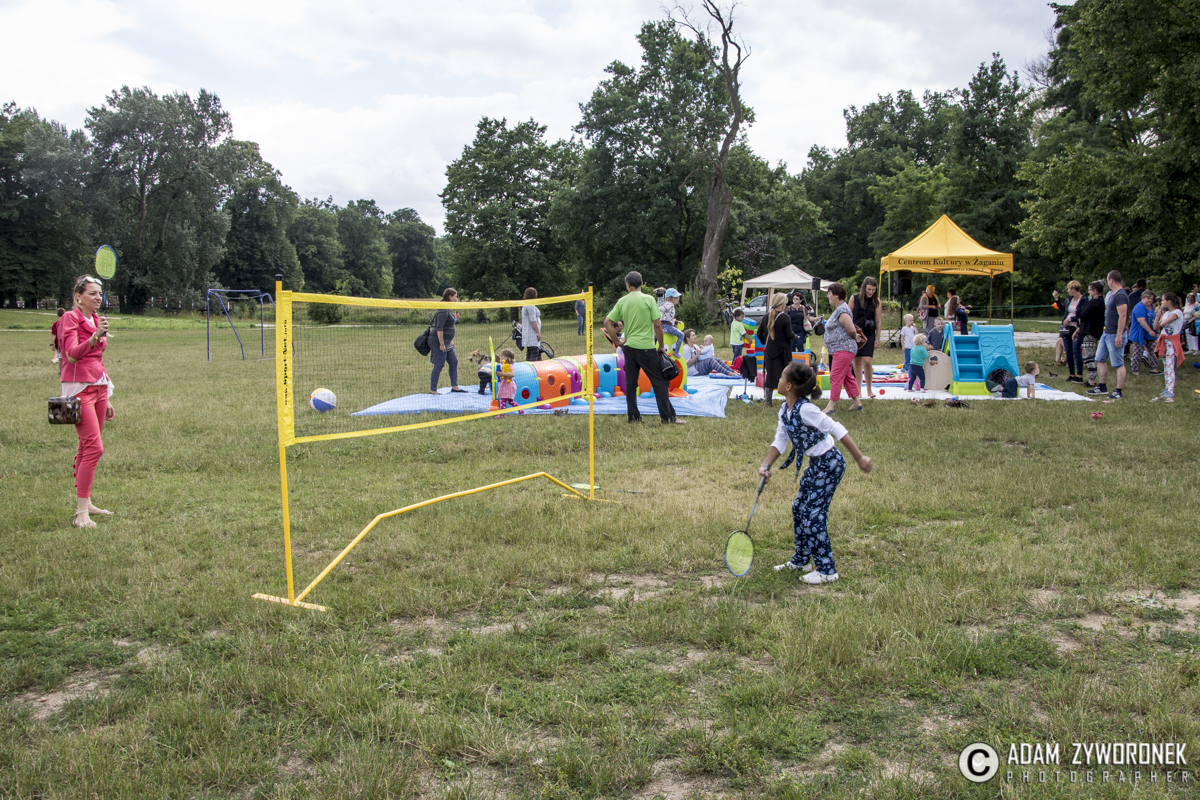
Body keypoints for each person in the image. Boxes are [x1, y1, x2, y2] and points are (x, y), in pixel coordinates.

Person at [760, 362, 872, 585]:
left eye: (781, 377)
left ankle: (827, 570)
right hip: (816, 464)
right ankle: (801, 560)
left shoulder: (806, 410)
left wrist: (860, 458)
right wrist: (766, 464)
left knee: (813, 513)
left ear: (789, 386)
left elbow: (836, 428)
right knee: (799, 508)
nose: (778, 380)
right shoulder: (785, 410)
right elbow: (780, 440)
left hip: (830, 464)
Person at [59, 275, 116, 529]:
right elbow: (71, 355)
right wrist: (95, 335)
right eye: (92, 293)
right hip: (79, 389)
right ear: (78, 297)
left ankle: (86, 503)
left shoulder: (95, 319)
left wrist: (108, 394)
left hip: (99, 387)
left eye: (99, 293)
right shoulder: (70, 318)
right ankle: (81, 514)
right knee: (94, 448)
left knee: (86, 447)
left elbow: (98, 359)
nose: (98, 297)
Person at [603, 271, 683, 425]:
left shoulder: (622, 301)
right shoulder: (649, 299)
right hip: (646, 348)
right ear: (642, 283)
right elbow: (658, 325)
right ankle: (668, 418)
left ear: (628, 285)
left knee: (631, 384)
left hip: (629, 348)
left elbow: (607, 322)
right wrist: (661, 346)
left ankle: (634, 418)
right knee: (659, 382)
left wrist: (617, 341)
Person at [821, 283, 863, 414]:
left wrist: (855, 336)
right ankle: (857, 403)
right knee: (847, 376)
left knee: (835, 376)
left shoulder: (842, 310)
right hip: (839, 349)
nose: (828, 296)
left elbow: (850, 328)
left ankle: (831, 406)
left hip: (844, 349)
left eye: (829, 294)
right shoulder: (839, 309)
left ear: (836, 295)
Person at [1088, 270, 1129, 399]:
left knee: (1118, 363)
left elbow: (1123, 316)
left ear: (1111, 280)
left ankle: (1118, 390)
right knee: (1099, 359)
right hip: (1107, 332)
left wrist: (1119, 334)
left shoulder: (1120, 295)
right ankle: (1102, 386)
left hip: (1115, 334)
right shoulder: (1113, 294)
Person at [758, 293, 796, 407]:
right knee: (786, 375)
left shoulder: (766, 316)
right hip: (783, 352)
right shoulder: (785, 318)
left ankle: (768, 401)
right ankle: (787, 400)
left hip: (769, 352)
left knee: (770, 376)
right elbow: (789, 334)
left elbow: (759, 334)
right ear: (782, 304)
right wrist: (796, 338)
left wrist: (766, 342)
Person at [849, 277, 882, 398]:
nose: (871, 292)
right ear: (864, 288)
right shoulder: (854, 298)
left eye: (873, 290)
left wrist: (878, 338)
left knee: (868, 361)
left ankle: (869, 390)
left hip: (869, 333)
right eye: (869, 289)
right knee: (857, 362)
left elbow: (878, 320)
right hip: (856, 333)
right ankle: (858, 391)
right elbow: (848, 315)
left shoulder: (876, 301)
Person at [430, 287, 466, 394]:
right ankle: (433, 390)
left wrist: (450, 341)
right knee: (439, 364)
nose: (456, 298)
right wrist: (442, 344)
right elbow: (439, 328)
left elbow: (448, 326)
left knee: (454, 361)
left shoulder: (448, 308)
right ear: (450, 297)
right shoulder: (443, 310)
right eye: (455, 296)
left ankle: (455, 387)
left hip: (447, 341)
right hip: (438, 342)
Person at [1152, 293, 1184, 403]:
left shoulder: (1177, 312)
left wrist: (1161, 312)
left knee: (1170, 367)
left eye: (1163, 300)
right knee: (1166, 367)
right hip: (1164, 343)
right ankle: (1167, 390)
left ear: (1169, 301)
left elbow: (1163, 324)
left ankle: (1170, 393)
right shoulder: (1167, 313)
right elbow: (1156, 326)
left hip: (1172, 343)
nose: (1161, 302)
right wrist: (1158, 315)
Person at [1128, 290, 1161, 376]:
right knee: (1138, 352)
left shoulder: (1151, 307)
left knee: (1154, 351)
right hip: (1140, 333)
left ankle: (1153, 368)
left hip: (1151, 334)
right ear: (1142, 298)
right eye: (1148, 298)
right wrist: (1150, 331)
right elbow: (1141, 321)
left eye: (1151, 299)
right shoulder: (1139, 307)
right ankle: (1135, 370)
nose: (1150, 300)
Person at [1060, 281, 1085, 382]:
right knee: (1068, 351)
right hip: (1067, 327)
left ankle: (1079, 374)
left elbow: (1082, 315)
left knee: (1076, 351)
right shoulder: (1069, 299)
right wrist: (1057, 300)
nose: (1068, 291)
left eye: (1069, 289)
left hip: (1076, 327)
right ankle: (1071, 374)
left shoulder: (1083, 300)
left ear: (1074, 289)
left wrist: (1071, 319)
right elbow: (1063, 309)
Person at [658, 288, 684, 354]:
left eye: (678, 297)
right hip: (666, 326)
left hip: (664, 325)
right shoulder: (670, 304)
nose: (678, 299)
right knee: (681, 335)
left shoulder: (665, 303)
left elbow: (667, 316)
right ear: (670, 298)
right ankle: (676, 352)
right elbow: (660, 309)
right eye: (675, 297)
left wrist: (675, 321)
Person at [494, 348, 520, 412]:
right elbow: (501, 375)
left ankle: (502, 414)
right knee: (510, 402)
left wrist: (502, 374)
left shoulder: (510, 366)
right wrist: (498, 374)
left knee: (503, 400)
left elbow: (512, 374)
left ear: (505, 359)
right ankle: (520, 410)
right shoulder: (503, 366)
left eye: (500, 358)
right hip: (504, 386)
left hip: (508, 386)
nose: (499, 360)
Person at [520, 287, 542, 361]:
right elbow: (533, 321)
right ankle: (532, 366)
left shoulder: (525, 305)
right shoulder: (530, 306)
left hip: (528, 334)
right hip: (532, 334)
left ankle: (527, 366)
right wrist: (538, 333)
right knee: (534, 352)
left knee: (530, 353)